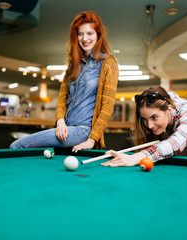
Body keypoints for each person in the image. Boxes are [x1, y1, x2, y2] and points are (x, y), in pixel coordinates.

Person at [10, 11, 119, 152]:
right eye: (80, 34)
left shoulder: (108, 63)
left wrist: (92, 139)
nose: (84, 38)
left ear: (98, 34)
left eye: (90, 33)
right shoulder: (73, 65)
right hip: (64, 129)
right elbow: (62, 99)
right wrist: (60, 121)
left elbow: (107, 107)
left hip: (83, 131)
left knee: (17, 145)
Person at [102, 86, 187, 167]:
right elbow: (171, 94)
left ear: (169, 109)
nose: (150, 125)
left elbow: (176, 143)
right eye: (145, 119)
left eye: (154, 117)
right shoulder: (166, 102)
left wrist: (135, 158)